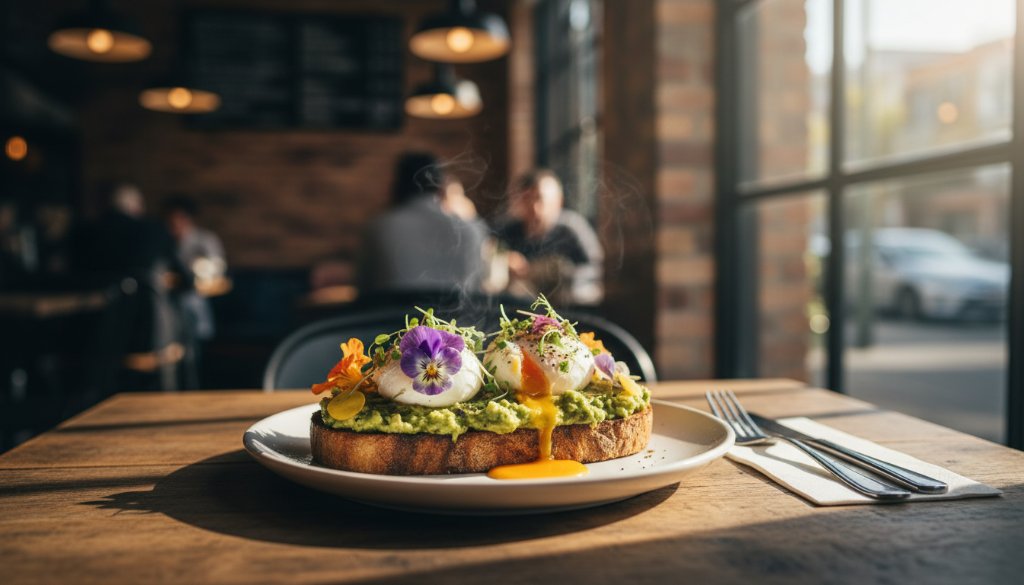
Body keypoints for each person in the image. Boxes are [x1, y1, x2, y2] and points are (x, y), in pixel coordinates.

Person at [359, 153, 485, 293]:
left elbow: (363, 286)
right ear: (441, 186)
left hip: (388, 313)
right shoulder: (472, 229)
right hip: (458, 315)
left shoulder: (379, 227)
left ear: (396, 184)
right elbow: (480, 285)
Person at [494, 169, 603, 305]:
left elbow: (593, 269)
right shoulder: (509, 230)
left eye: (540, 199)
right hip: (526, 307)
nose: (534, 207)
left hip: (570, 306)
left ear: (559, 201)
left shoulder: (571, 229)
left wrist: (541, 271)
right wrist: (504, 260)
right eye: (526, 199)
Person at [162, 195, 226, 343]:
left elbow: (217, 270)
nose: (173, 224)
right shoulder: (164, 240)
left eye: (177, 218)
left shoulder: (205, 240)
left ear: (187, 218)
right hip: (167, 303)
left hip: (195, 301)